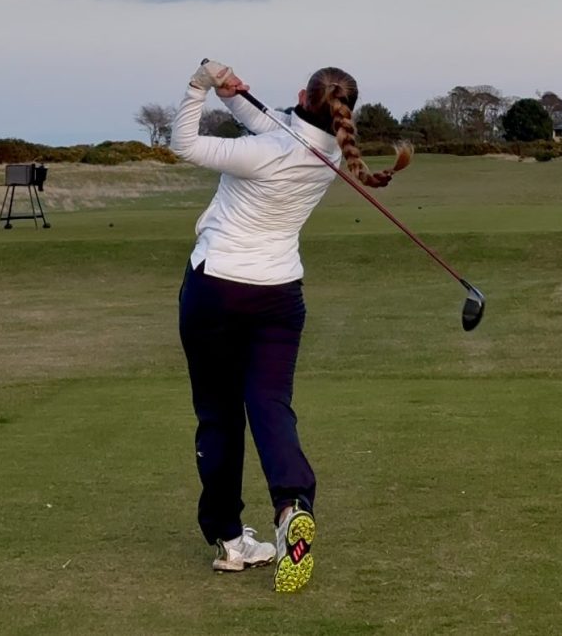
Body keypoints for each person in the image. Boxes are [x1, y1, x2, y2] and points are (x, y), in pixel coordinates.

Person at [170, 60, 408, 593]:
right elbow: (269, 122)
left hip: (216, 289)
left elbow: (184, 144)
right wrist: (231, 93)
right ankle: (291, 507)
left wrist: (198, 85)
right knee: (270, 404)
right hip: (280, 296)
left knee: (219, 415)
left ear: (303, 95)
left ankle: (230, 539)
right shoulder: (328, 152)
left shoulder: (268, 151)